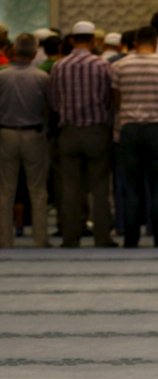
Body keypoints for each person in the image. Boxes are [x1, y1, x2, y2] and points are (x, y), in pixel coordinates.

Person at [49, 21, 115, 248]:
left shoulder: (60, 66)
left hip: (69, 131)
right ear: (93, 40)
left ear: (72, 40)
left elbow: (54, 102)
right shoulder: (102, 65)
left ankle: (70, 237)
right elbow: (109, 99)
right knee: (99, 187)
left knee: (70, 187)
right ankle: (102, 236)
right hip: (96, 130)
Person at [111, 26, 158, 248]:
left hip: (129, 128)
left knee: (131, 187)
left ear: (135, 43)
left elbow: (116, 101)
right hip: (157, 128)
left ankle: (131, 238)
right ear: (155, 43)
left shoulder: (120, 66)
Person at [0, 33, 50, 247]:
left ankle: (4, 239)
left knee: (6, 190)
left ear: (14, 51)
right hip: (34, 134)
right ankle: (40, 239)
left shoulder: (2, 77)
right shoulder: (42, 77)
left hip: (6, 134)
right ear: (34, 53)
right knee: (37, 190)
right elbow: (51, 107)